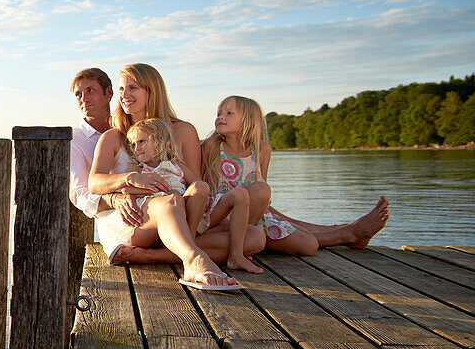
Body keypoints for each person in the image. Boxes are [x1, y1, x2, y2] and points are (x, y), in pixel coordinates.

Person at [68, 67, 260, 270]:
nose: (124, 95)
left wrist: (169, 154)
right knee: (170, 202)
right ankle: (193, 259)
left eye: (132, 88)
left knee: (256, 237)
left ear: (152, 91)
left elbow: (195, 181)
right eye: (122, 88)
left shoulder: (184, 130)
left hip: (184, 211)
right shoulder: (115, 135)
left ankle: (155, 255)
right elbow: (94, 183)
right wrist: (130, 178)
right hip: (143, 218)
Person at [202, 95, 390, 255]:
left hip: (254, 216)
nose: (220, 117)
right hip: (224, 217)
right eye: (219, 113)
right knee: (299, 233)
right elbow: (206, 189)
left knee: (308, 245)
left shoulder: (261, 149)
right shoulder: (212, 146)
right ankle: (349, 233)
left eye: (228, 113)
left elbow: (262, 193)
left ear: (249, 121)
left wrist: (275, 218)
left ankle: (347, 232)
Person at [122, 118, 262, 274]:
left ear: (160, 141)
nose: (137, 148)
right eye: (133, 144)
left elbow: (199, 185)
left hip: (191, 215)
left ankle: (235, 256)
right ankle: (189, 247)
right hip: (167, 221)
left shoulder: (176, 164)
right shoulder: (138, 168)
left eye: (142, 142)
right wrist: (161, 192)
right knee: (195, 190)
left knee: (238, 194)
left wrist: (205, 201)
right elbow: (127, 190)